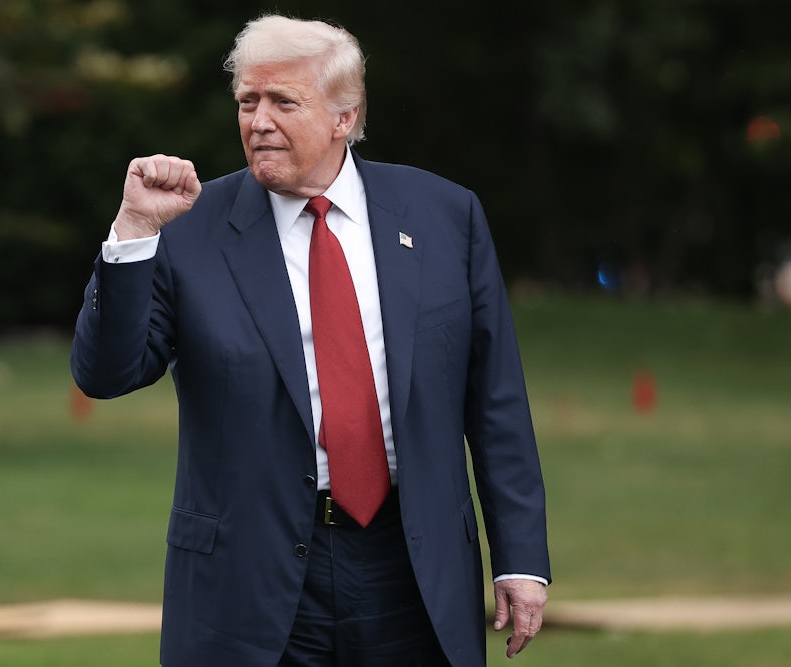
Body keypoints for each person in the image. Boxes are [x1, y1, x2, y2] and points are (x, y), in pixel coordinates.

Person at [71, 14, 550, 667]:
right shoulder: (187, 228)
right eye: (247, 101)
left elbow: (495, 403)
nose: (258, 120)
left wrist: (520, 558)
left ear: (343, 118)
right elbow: (105, 373)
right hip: (248, 581)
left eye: (282, 101)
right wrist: (132, 232)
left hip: (411, 569)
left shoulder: (445, 215)